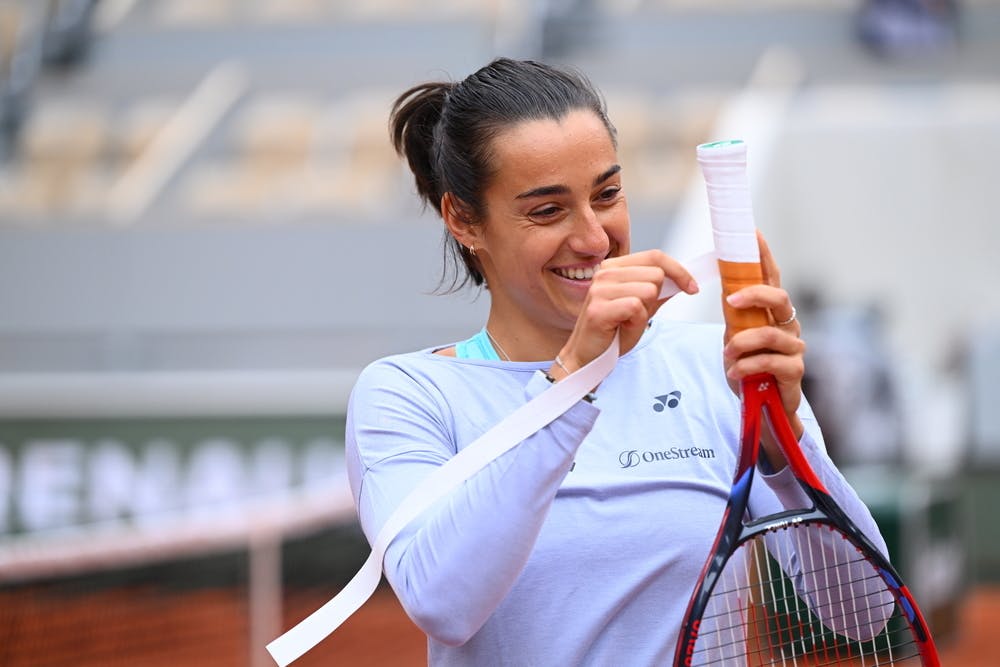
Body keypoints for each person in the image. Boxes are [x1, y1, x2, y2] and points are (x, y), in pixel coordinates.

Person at [344, 57, 888, 665]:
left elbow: (863, 614)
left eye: (606, 195)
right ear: (464, 219)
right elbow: (442, 603)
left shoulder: (718, 363)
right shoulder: (407, 394)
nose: (595, 238)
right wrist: (575, 372)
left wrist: (784, 439)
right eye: (548, 210)